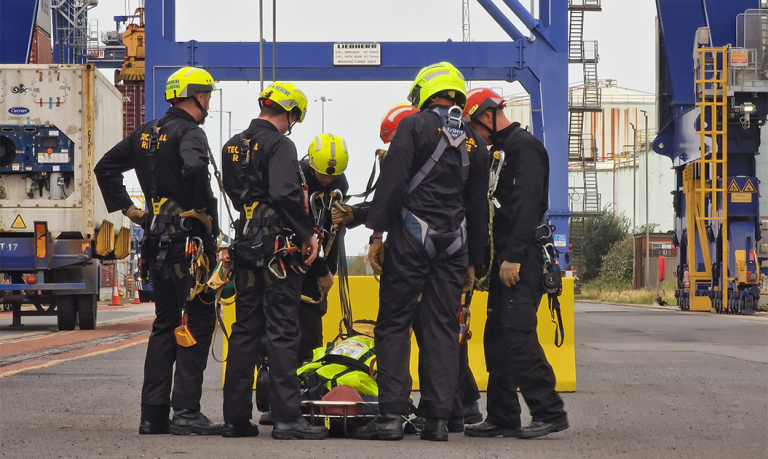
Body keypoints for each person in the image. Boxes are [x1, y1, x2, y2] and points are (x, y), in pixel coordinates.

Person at [354, 62, 489, 442]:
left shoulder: (413, 127)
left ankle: (391, 418)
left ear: (423, 93)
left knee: (394, 324)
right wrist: (473, 264)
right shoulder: (477, 144)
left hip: (412, 239)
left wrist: (377, 235)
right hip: (455, 244)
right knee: (443, 330)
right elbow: (478, 209)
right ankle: (438, 421)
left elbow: (393, 182)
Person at [94, 66, 222, 435]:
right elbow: (196, 167)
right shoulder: (190, 132)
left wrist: (130, 209)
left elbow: (106, 168)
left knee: (164, 325)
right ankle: (186, 412)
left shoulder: (145, 132)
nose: (210, 101)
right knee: (197, 321)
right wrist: (199, 209)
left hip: (156, 239)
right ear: (198, 97)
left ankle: (152, 415)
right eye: (208, 95)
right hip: (189, 245)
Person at [220, 81, 328, 440]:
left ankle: (236, 418)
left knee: (245, 330)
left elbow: (238, 197)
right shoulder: (281, 144)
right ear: (291, 113)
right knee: (283, 330)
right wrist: (308, 234)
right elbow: (284, 193)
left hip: (246, 245)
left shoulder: (232, 145)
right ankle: (286, 419)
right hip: (277, 248)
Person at [462, 87, 568, 439]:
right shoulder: (500, 152)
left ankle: (549, 411)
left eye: (473, 125)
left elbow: (525, 207)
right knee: (496, 337)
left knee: (517, 335)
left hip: (522, 261)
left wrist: (511, 258)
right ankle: (503, 415)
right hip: (504, 262)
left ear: (488, 115)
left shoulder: (523, 149)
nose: (473, 133)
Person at [297, 133, 350, 362]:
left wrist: (329, 271)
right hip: (295, 262)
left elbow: (335, 232)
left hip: (319, 265)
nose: (328, 180)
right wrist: (322, 269)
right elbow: (298, 228)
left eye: (334, 176)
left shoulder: (340, 184)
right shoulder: (297, 178)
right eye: (323, 175)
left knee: (312, 332)